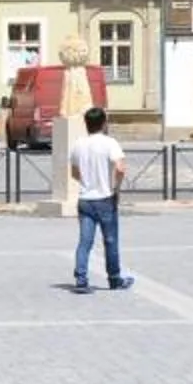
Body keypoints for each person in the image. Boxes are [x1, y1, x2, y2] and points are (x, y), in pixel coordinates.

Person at [69, 104, 132, 291]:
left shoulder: (78, 144)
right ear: (103, 124)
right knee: (110, 240)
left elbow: (74, 172)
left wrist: (87, 180)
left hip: (85, 199)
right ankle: (114, 278)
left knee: (85, 241)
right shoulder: (109, 143)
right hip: (105, 197)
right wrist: (116, 187)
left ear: (86, 124)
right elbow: (120, 168)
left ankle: (81, 279)